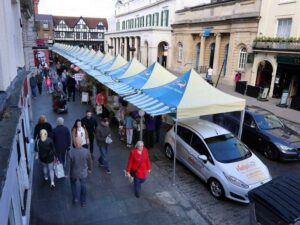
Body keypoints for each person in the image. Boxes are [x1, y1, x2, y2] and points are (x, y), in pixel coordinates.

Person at [66, 136, 92, 207]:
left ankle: (75, 198)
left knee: (73, 184)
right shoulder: (86, 151)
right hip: (83, 173)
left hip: (73, 173)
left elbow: (68, 165)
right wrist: (90, 169)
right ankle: (83, 201)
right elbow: (90, 162)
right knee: (83, 186)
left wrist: (67, 173)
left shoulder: (70, 152)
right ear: (81, 143)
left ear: (74, 143)